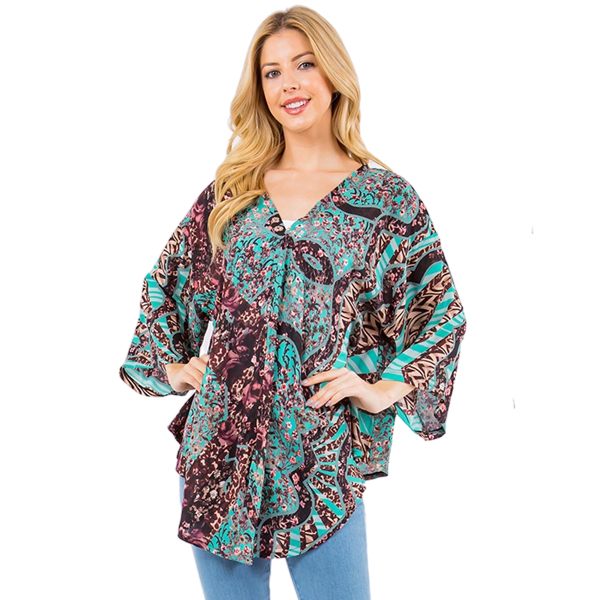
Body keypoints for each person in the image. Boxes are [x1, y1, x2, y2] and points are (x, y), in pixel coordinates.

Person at [118, 5, 467, 600]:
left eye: (304, 65)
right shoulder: (234, 192)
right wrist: (171, 368)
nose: (289, 84)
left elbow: (439, 311)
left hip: (319, 452)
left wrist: (383, 386)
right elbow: (168, 285)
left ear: (333, 74)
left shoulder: (387, 201)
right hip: (221, 451)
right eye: (272, 72)